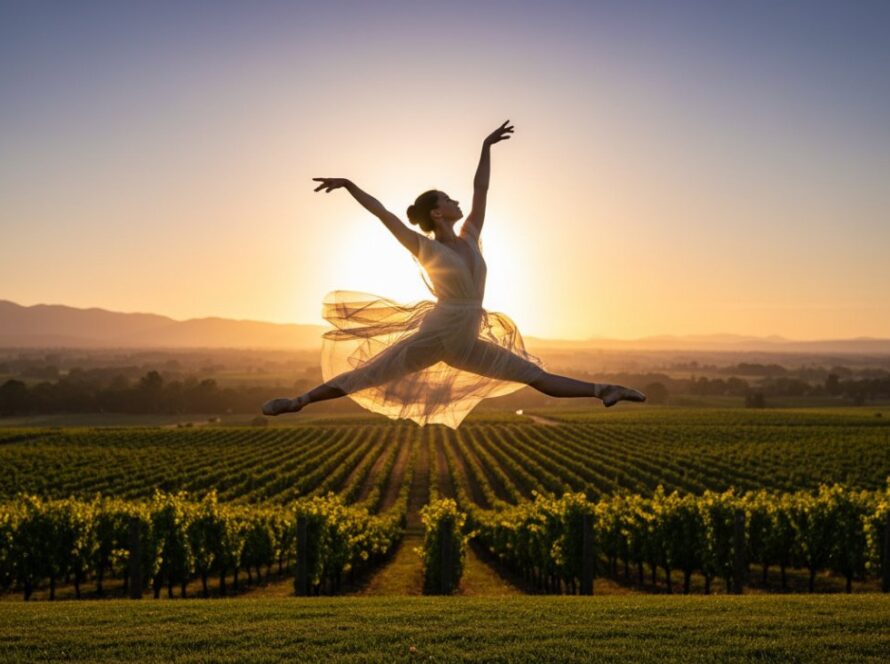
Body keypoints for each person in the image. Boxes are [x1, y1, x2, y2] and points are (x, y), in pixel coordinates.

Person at [263, 120, 645, 428]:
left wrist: (486, 146)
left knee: (534, 376)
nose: (456, 201)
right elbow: (384, 214)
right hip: (441, 330)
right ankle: (298, 401)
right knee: (369, 374)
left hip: (466, 339)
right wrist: (349, 186)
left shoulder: (471, 236)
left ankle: (605, 389)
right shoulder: (425, 247)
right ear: (436, 213)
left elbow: (481, 188)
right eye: (448, 199)